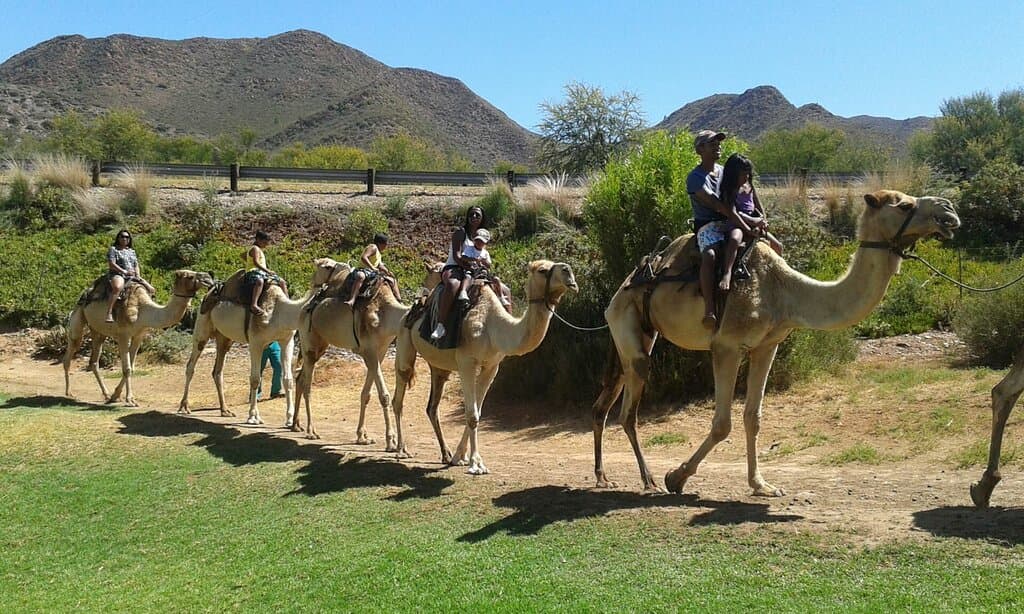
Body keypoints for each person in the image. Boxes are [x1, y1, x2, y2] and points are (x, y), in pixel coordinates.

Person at [686, 130, 752, 330]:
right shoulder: (695, 178)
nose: (717, 146)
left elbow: (742, 192)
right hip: (708, 224)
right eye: (711, 143)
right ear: (700, 150)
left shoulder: (725, 171)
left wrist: (755, 218)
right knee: (711, 255)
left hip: (731, 220)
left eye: (718, 142)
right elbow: (718, 205)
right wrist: (745, 224)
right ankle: (709, 310)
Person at [717, 153, 784, 292]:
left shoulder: (749, 185)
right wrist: (748, 228)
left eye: (747, 174)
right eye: (742, 174)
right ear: (733, 174)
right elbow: (733, 213)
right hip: (737, 223)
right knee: (735, 239)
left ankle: (777, 275)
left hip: (754, 222)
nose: (746, 177)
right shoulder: (730, 190)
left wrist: (763, 220)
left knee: (778, 246)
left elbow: (758, 206)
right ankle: (727, 272)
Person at [431, 205, 486, 340]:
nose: (474, 217)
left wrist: (482, 265)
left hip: (473, 269)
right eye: (472, 214)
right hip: (455, 267)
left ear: (482, 218)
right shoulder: (460, 233)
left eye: (477, 215)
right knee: (452, 285)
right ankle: (441, 325)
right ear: (467, 217)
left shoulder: (482, 236)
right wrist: (469, 266)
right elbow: (457, 256)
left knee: (499, 287)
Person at [104, 229, 156, 323]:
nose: (125, 239)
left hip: (132, 276)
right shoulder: (113, 249)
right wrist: (124, 271)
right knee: (117, 287)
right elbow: (112, 263)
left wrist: (138, 276)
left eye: (127, 237)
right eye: (122, 236)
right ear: (118, 238)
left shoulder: (132, 251)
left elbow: (136, 265)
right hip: (118, 274)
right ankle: (109, 312)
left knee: (151, 289)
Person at [344, 233, 400, 306]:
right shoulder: (373, 247)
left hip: (372, 273)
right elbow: (364, 257)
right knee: (360, 276)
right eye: (386, 244)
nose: (386, 246)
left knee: (392, 280)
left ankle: (399, 300)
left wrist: (388, 272)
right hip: (363, 270)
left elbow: (379, 265)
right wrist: (372, 268)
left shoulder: (379, 253)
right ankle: (352, 299)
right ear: (380, 243)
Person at [462, 228, 511, 311]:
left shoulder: (485, 252)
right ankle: (463, 292)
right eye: (477, 240)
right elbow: (464, 257)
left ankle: (501, 296)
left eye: (481, 241)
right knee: (468, 276)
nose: (479, 243)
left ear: (485, 243)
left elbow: (489, 265)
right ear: (474, 240)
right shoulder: (470, 249)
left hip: (484, 272)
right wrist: (474, 259)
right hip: (472, 270)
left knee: (496, 279)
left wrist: (484, 262)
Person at [243, 230, 287, 317]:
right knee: (260, 281)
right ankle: (254, 304)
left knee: (281, 281)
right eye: (264, 242)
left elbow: (243, 255)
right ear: (258, 240)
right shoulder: (254, 248)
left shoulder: (259, 250)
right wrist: (268, 271)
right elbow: (255, 262)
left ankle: (287, 302)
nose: (266, 244)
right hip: (253, 272)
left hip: (262, 273)